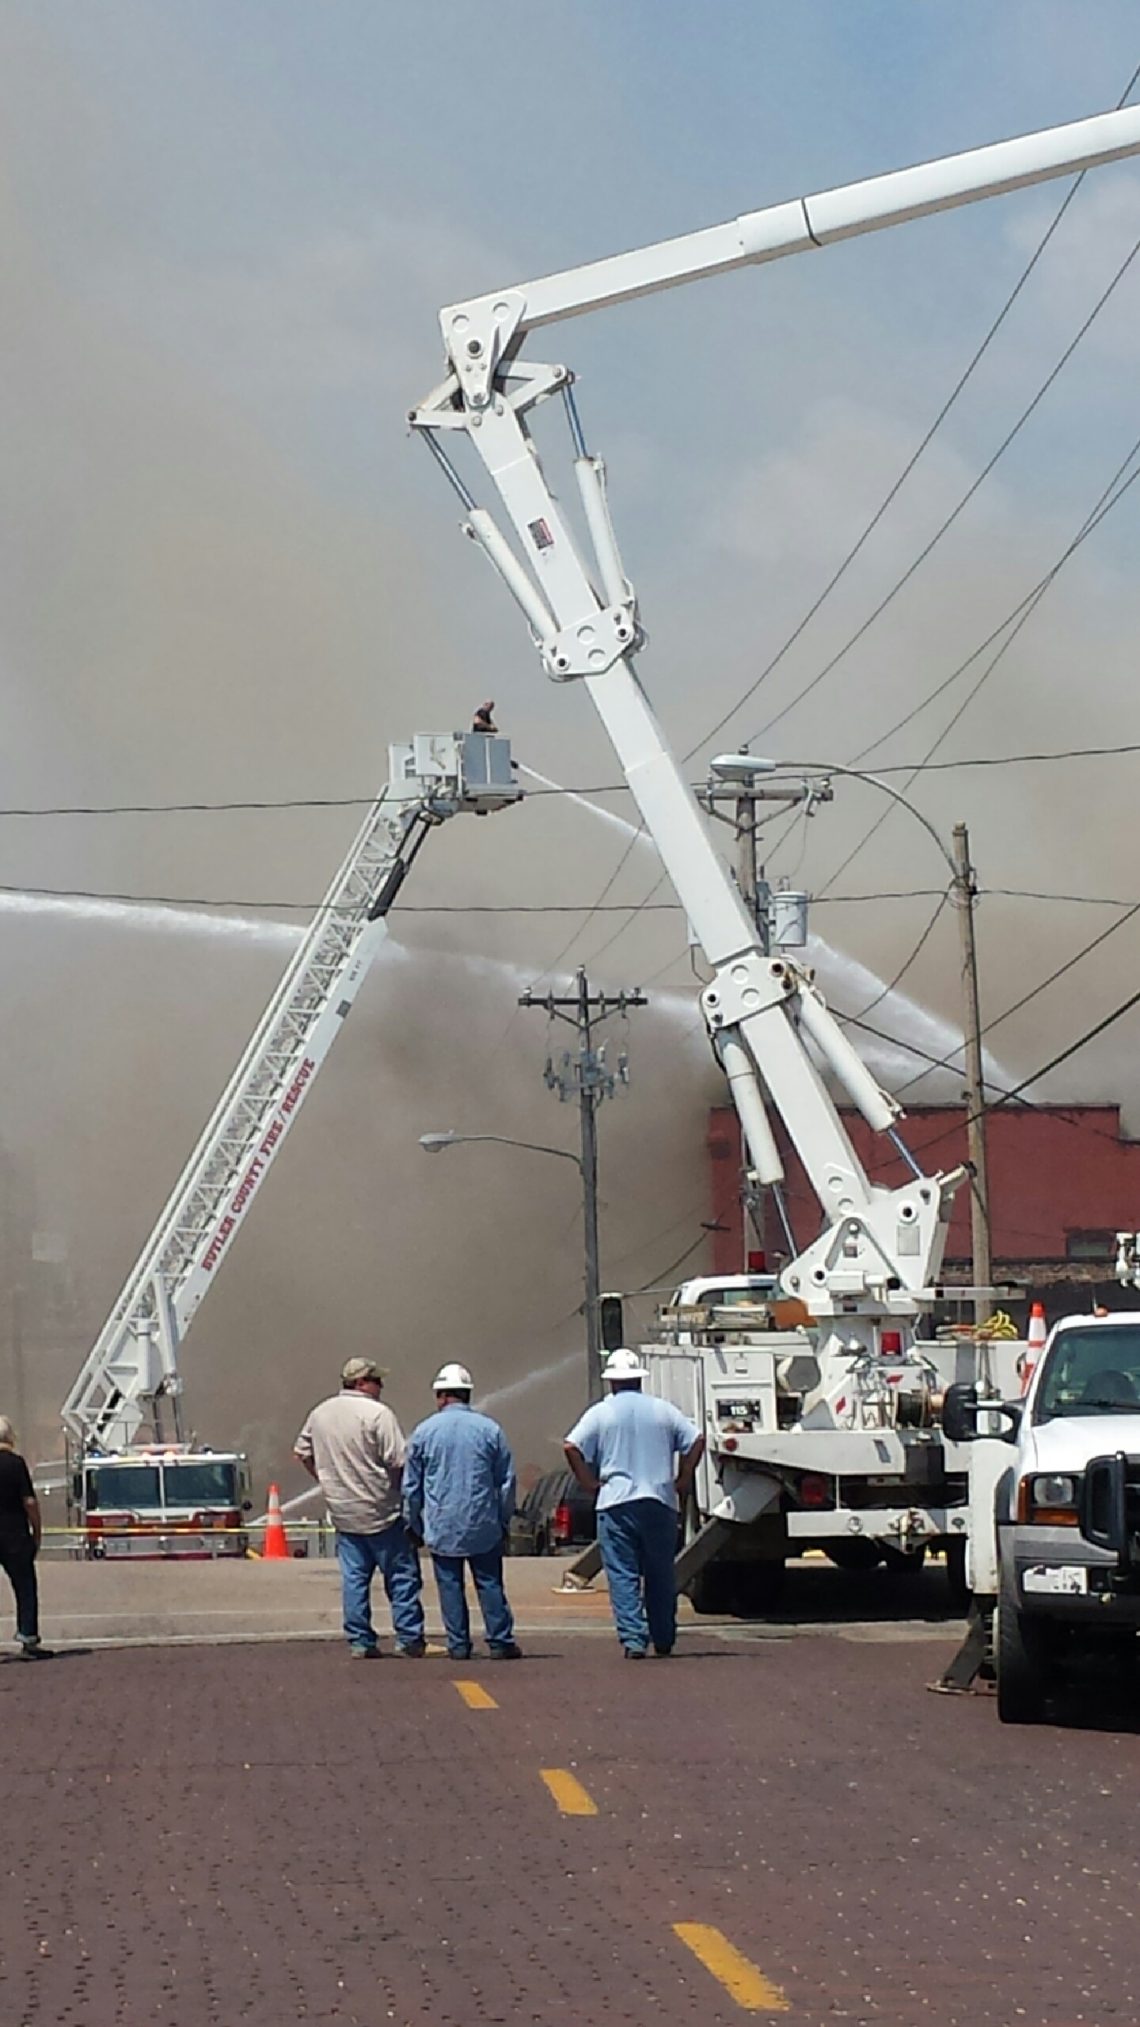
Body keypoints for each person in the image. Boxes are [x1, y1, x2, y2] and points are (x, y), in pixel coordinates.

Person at [564, 1347, 704, 1659]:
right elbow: (696, 1439)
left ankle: (634, 1640)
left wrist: (588, 1482)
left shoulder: (602, 1412)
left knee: (623, 1574)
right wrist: (683, 1478)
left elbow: (571, 1445)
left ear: (612, 1381)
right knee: (660, 1573)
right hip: (660, 1501)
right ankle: (664, 1637)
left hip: (616, 1502)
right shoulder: (662, 1409)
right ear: (639, 1379)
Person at [294, 1358, 426, 1659]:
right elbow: (399, 1461)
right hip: (382, 1512)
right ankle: (408, 1638)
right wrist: (399, 1494)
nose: (381, 1386)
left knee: (354, 1580)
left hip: (342, 1512)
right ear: (361, 1382)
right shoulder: (378, 1414)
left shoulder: (320, 1413)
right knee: (402, 1577)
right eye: (377, 1380)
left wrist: (325, 1480)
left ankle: (360, 1641)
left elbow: (301, 1452)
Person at [402, 1363, 520, 1660]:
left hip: (442, 1524)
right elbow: (506, 1481)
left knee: (450, 1585)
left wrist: (413, 1523)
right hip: (483, 1522)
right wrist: (503, 1520)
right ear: (468, 1394)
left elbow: (411, 1487)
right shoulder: (490, 1429)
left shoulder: (423, 1432)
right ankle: (500, 1642)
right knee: (490, 1583)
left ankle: (458, 1645)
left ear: (440, 1395)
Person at [0, 1416, 47, 1659]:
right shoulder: (15, 1463)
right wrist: (37, 1531)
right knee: (25, 1586)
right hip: (13, 1534)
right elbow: (29, 1501)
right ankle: (28, 1638)